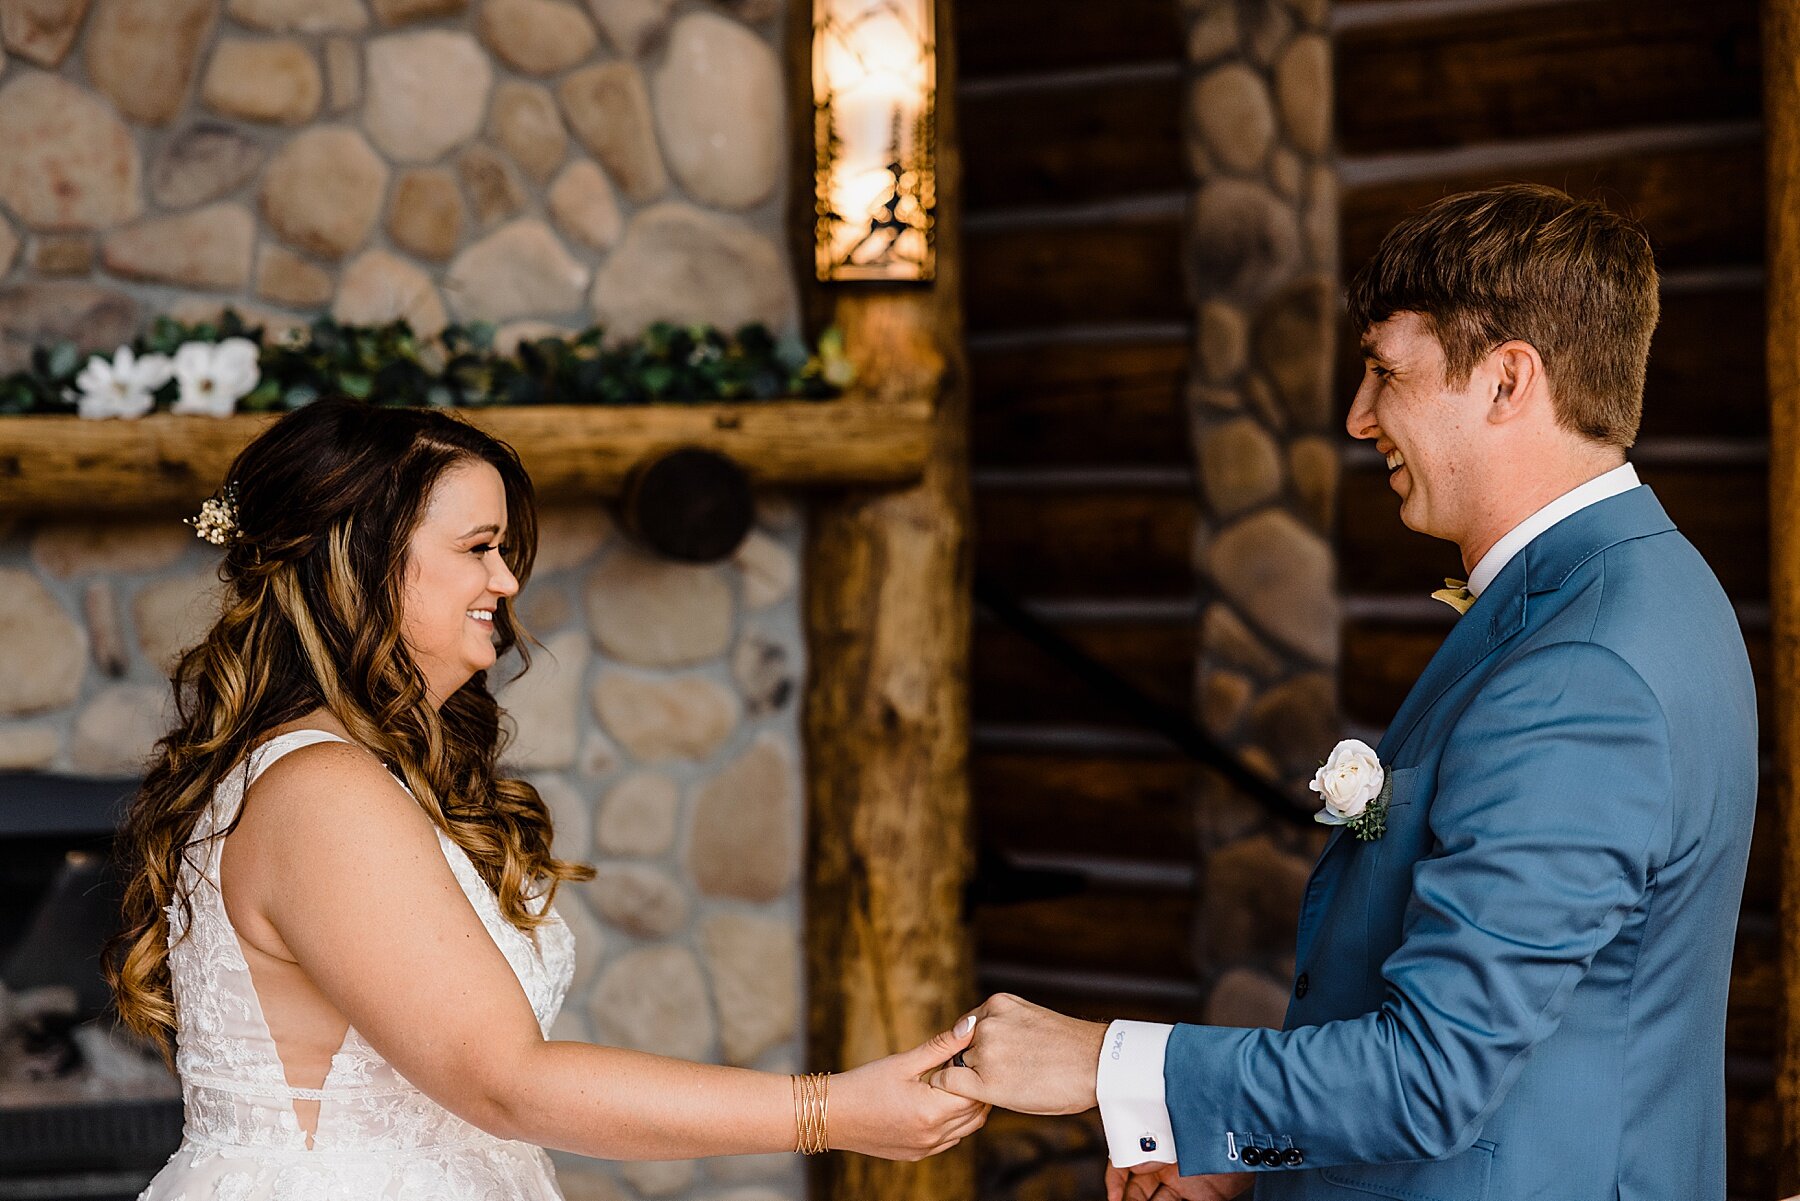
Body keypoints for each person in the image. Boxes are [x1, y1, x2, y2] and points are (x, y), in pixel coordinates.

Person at [930, 184, 1758, 1201]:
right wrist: (1240, 1159)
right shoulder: (1637, 587)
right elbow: (1509, 1063)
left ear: (1507, 380)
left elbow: (1431, 1076)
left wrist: (1110, 1063)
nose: (1359, 417)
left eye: (1385, 372)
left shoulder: (1582, 667)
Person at [105, 397, 987, 1199]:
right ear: (362, 560)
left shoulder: (336, 770)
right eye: (477, 547)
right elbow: (506, 1079)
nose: (507, 581)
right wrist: (825, 1111)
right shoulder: (322, 789)